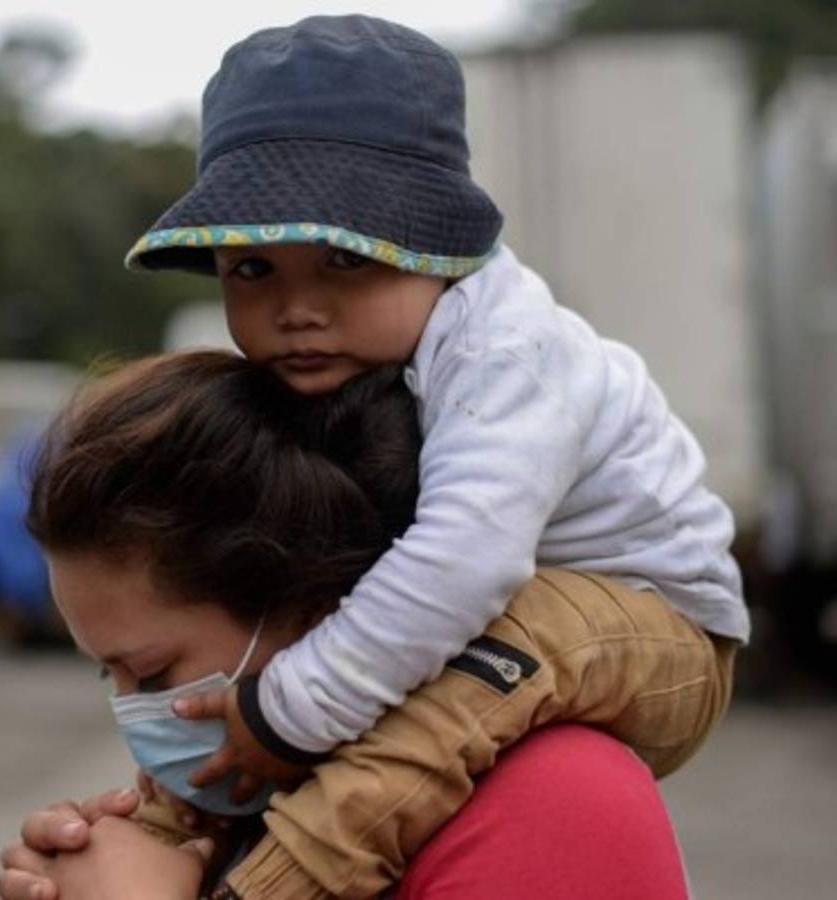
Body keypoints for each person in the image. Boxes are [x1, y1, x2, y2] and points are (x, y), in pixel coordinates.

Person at [116, 14, 746, 896]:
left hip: (653, 627)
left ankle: (282, 880)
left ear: (439, 245)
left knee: (447, 689)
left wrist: (290, 709)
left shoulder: (508, 352)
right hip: (505, 602)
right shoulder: (353, 372)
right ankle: (139, 841)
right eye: (253, 269)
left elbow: (466, 559)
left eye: (344, 259)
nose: (297, 308)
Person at [0, 352, 698, 899]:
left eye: (152, 673)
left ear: (315, 611)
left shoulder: (557, 801)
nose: (134, 716)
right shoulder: (242, 811)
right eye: (108, 674)